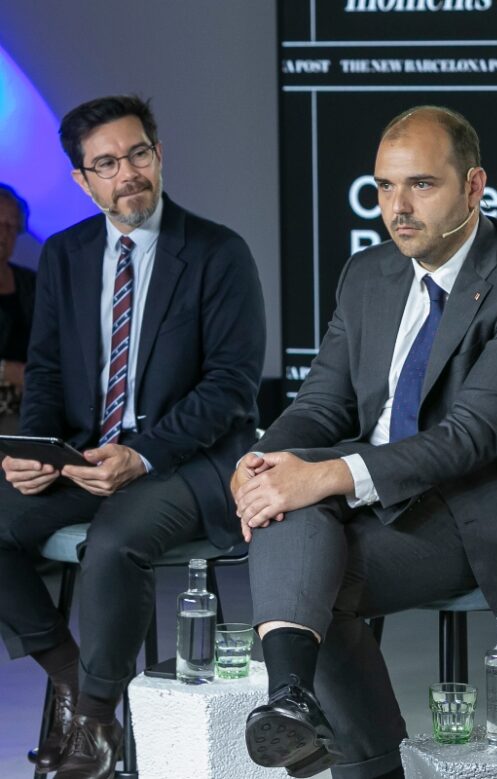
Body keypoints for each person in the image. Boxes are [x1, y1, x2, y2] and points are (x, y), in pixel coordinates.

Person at [233, 105, 497, 779]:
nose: (396, 207)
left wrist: (325, 475)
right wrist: (260, 463)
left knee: (320, 568)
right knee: (285, 502)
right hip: (383, 489)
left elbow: (470, 439)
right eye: (383, 187)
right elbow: (321, 402)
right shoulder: (369, 273)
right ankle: (291, 703)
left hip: (489, 508)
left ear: (474, 186)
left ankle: (357, 757)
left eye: (420, 186)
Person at [0, 95, 266, 779]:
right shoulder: (66, 254)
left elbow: (231, 388)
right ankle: (68, 675)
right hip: (88, 457)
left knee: (114, 542)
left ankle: (93, 721)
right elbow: (51, 372)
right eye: (107, 163)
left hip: (191, 461)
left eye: (138, 153)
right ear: (82, 180)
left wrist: (142, 453)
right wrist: (35, 453)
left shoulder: (217, 252)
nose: (128, 173)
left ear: (159, 154)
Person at [0, 185, 37, 433]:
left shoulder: (31, 283)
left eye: (11, 226)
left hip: (29, 405)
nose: (3, 234)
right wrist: (5, 371)